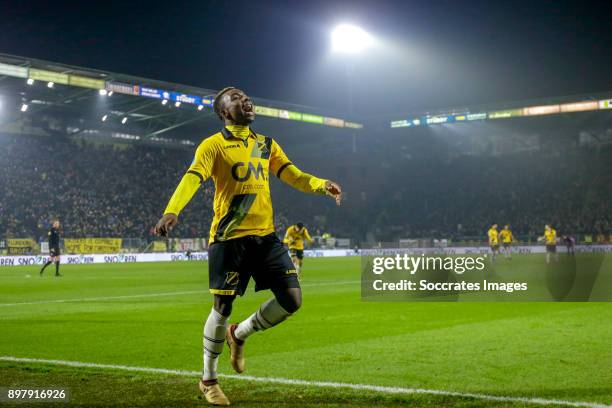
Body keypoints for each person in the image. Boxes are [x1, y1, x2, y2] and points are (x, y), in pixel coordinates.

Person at [154, 87, 342, 406]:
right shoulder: (213, 145)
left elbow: (293, 176)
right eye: (236, 97)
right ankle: (209, 380)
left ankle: (239, 334)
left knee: (292, 299)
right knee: (222, 308)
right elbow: (192, 177)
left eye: (245, 96)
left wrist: (321, 185)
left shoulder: (265, 144)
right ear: (225, 111)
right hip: (229, 239)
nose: (244, 99)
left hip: (266, 237)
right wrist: (172, 210)